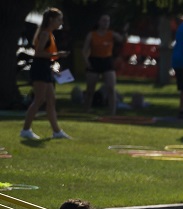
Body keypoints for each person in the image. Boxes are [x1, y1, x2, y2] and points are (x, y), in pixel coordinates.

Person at [20, 8, 70, 141]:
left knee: (51, 100)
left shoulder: (49, 34)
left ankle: (57, 131)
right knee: (39, 99)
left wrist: (53, 65)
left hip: (45, 67)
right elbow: (38, 53)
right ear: (51, 20)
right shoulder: (45, 34)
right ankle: (25, 130)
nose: (61, 22)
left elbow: (45, 55)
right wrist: (56, 55)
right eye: (59, 19)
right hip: (39, 68)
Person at [82, 14, 124, 115]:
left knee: (111, 88)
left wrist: (122, 34)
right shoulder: (92, 35)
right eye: (104, 21)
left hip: (107, 61)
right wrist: (87, 62)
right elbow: (84, 50)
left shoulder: (111, 34)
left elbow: (121, 40)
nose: (106, 23)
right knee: (90, 90)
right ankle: (86, 110)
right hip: (94, 61)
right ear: (99, 22)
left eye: (108, 21)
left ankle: (112, 112)